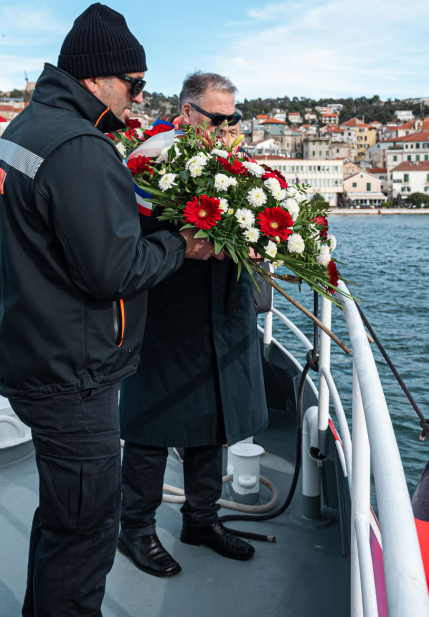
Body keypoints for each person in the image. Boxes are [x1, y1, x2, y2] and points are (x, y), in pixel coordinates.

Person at [0, 4, 217, 617]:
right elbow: (114, 272)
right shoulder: (81, 148)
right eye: (134, 85)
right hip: (74, 370)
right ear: (96, 78)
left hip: (32, 348)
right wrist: (182, 244)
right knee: (86, 529)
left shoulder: (26, 130)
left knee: (61, 515)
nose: (139, 99)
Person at [117, 71, 269, 577]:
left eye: (235, 119)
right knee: (151, 422)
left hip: (223, 307)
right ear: (187, 114)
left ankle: (202, 520)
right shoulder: (151, 159)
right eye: (217, 119)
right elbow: (129, 233)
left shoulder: (240, 164)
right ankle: (134, 530)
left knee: (213, 420)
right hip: (167, 307)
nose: (228, 129)